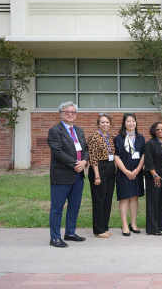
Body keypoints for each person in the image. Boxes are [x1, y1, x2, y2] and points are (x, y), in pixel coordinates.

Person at [47, 101, 88, 248]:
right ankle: (55, 238)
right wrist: (75, 164)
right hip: (62, 175)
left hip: (78, 175)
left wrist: (84, 161)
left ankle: (70, 233)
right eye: (67, 112)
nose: (70, 114)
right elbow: (57, 152)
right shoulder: (55, 131)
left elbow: (86, 149)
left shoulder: (79, 130)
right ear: (61, 114)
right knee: (57, 208)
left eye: (73, 112)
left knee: (74, 206)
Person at [114, 113, 145, 236]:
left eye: (133, 121)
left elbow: (143, 154)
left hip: (137, 172)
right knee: (125, 198)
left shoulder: (140, 138)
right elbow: (116, 156)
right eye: (128, 121)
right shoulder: (119, 138)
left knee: (134, 197)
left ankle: (133, 223)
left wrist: (137, 170)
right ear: (124, 123)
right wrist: (126, 171)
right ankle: (125, 225)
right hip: (123, 173)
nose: (131, 123)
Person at [87, 113, 116, 238]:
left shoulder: (111, 137)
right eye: (102, 122)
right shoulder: (94, 137)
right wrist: (97, 175)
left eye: (107, 122)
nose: (105, 124)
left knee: (108, 199)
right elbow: (93, 157)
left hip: (110, 168)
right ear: (98, 124)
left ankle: (104, 227)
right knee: (99, 199)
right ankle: (98, 230)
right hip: (98, 168)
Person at [144, 122, 162, 236]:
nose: (160, 131)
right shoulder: (150, 144)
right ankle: (152, 228)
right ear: (154, 131)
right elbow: (149, 161)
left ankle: (160, 225)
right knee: (153, 202)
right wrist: (155, 175)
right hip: (154, 178)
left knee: (161, 201)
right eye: (157, 129)